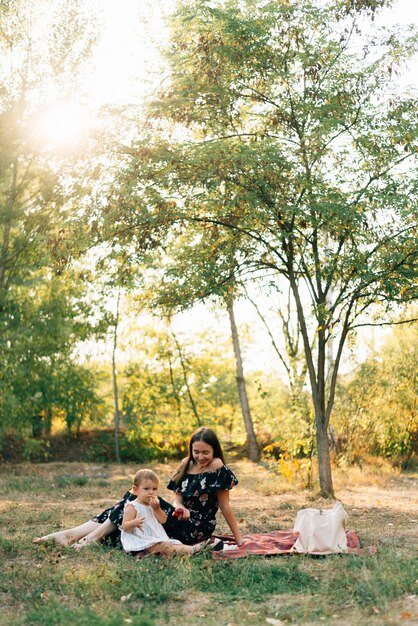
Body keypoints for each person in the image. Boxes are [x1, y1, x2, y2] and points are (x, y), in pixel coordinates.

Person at [34, 426, 243, 548]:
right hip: (177, 518)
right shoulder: (186, 463)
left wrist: (239, 539)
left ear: (214, 449)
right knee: (128, 513)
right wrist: (180, 506)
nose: (200, 456)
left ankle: (85, 536)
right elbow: (178, 497)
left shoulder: (217, 466)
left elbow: (224, 505)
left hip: (196, 528)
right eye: (196, 451)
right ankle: (73, 534)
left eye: (205, 452)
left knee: (134, 501)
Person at [120, 468, 219, 556]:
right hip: (140, 541)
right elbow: (125, 527)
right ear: (135, 490)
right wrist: (134, 523)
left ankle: (197, 549)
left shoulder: (153, 505)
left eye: (154, 489)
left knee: (172, 544)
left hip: (156, 537)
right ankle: (196, 549)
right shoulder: (132, 507)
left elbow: (163, 520)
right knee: (165, 546)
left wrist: (157, 509)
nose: (151, 492)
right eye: (146, 489)